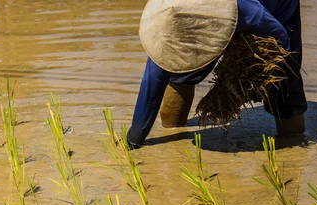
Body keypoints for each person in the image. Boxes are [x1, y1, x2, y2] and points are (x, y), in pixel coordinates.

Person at [127, 0, 306, 149]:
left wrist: (258, 78)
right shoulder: (167, 33)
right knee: (179, 72)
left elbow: (281, 38)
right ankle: (172, 126)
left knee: (286, 78)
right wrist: (133, 141)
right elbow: (150, 95)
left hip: (273, 5)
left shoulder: (248, 12)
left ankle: (293, 145)